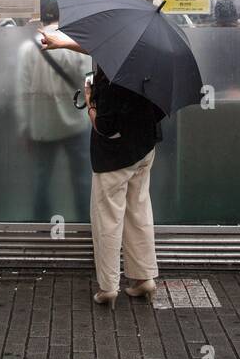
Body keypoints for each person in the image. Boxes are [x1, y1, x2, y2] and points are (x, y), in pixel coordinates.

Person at [41, 31, 164, 307]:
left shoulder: (110, 77)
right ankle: (144, 278)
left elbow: (105, 127)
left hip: (114, 158)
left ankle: (108, 286)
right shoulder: (150, 59)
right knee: (138, 211)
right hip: (144, 148)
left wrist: (90, 102)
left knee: (108, 218)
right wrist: (64, 43)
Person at [17, 0, 90, 221]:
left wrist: (25, 127)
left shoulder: (29, 48)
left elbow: (23, 92)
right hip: (76, 124)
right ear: (63, 16)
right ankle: (84, 224)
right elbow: (88, 83)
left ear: (42, 17)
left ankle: (40, 225)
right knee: (81, 178)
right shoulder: (74, 44)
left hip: (42, 126)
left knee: (41, 179)